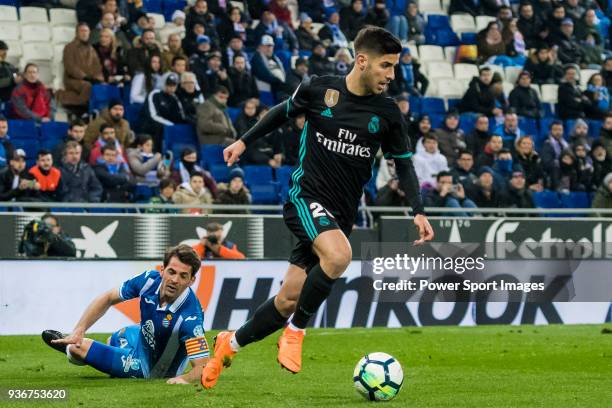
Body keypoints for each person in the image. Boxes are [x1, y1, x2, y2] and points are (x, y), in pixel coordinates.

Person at [200, 26, 433, 389]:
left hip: (338, 216)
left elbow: (402, 163)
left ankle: (227, 345)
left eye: (394, 67)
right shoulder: (320, 90)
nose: (391, 75)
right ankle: (296, 334)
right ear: (361, 60)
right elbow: (282, 111)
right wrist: (243, 143)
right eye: (386, 66)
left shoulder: (387, 113)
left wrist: (418, 209)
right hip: (304, 199)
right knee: (339, 257)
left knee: (288, 298)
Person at [42, 245, 209, 383]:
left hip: (149, 368)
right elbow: (108, 298)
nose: (174, 280)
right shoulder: (149, 281)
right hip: (142, 338)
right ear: (162, 270)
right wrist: (79, 329)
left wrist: (184, 380)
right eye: (171, 272)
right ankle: (105, 352)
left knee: (77, 348)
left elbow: (202, 367)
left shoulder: (190, 317)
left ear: (191, 281)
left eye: (183, 276)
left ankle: (74, 352)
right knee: (114, 338)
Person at [60, 23, 104, 112]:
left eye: (86, 31)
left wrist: (99, 79)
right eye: (82, 31)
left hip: (89, 79)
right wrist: (85, 77)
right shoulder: (69, 47)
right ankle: (83, 111)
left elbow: (97, 67)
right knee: (87, 86)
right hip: (72, 79)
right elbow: (70, 67)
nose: (84, 33)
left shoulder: (91, 49)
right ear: (77, 33)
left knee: (102, 86)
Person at [141, 73, 187, 152]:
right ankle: (159, 155)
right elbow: (153, 116)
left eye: (174, 85)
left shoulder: (174, 97)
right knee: (161, 130)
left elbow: (180, 115)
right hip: (151, 127)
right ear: (164, 84)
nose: (172, 88)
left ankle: (176, 156)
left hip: (168, 128)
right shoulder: (155, 94)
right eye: (169, 85)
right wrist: (170, 125)